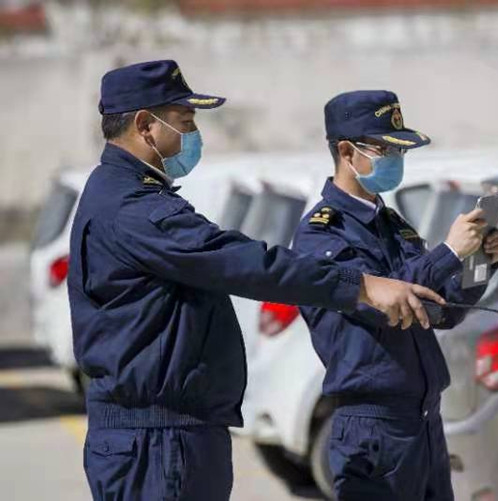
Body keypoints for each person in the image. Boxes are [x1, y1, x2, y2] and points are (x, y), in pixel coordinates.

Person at [69, 61, 445, 501]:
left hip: (166, 434)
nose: (194, 134)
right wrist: (360, 285)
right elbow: (242, 261)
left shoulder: (124, 194)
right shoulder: (133, 208)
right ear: (144, 126)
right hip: (157, 440)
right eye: (185, 122)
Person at [292, 90, 498, 500]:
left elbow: (442, 310)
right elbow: (383, 305)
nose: (395, 159)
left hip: (423, 420)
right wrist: (448, 251)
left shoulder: (392, 224)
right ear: (346, 152)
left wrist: (477, 261)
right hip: (373, 427)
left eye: (399, 150)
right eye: (385, 149)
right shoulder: (321, 234)